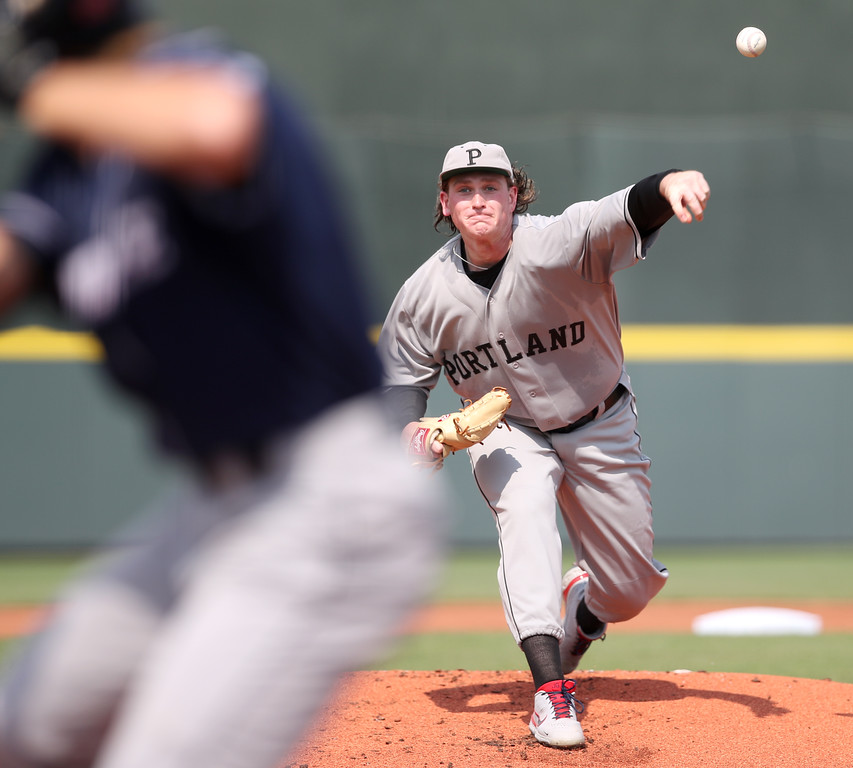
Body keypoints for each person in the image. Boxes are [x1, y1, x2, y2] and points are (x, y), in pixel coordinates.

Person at [0, 2, 445, 767]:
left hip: (327, 498)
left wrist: (33, 83)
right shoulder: (65, 172)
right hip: (210, 512)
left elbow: (216, 127)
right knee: (23, 728)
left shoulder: (196, 73)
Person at [377, 140, 710, 749]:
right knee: (524, 511)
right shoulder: (423, 293)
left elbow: (626, 210)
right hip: (507, 432)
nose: (478, 200)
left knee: (629, 591)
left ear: (514, 195)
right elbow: (402, 378)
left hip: (599, 420)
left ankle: (585, 608)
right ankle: (551, 692)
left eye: (490, 188)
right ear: (445, 203)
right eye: (464, 190)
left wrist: (671, 182)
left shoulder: (560, 241)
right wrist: (407, 429)